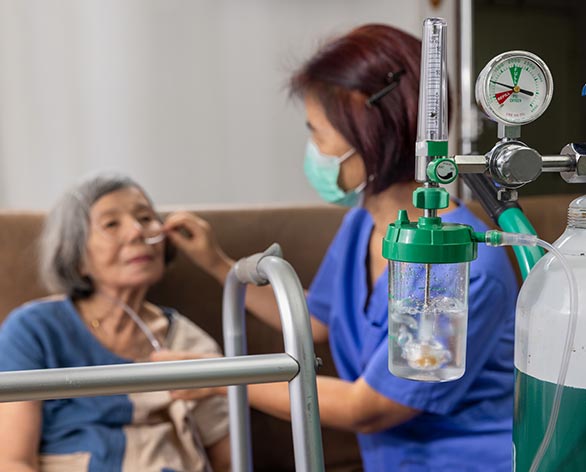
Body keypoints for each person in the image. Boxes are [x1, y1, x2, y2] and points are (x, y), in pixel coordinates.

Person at [156, 24, 518, 471]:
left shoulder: (458, 260)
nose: (313, 152)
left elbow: (369, 407)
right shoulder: (363, 222)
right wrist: (216, 262)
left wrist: (221, 376)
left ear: (371, 135)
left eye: (318, 133)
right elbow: (316, 319)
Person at [0, 174, 230, 472]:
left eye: (146, 218)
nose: (137, 232)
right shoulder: (35, 330)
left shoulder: (190, 343)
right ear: (77, 255)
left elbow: (228, 460)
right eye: (111, 224)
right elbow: (12, 461)